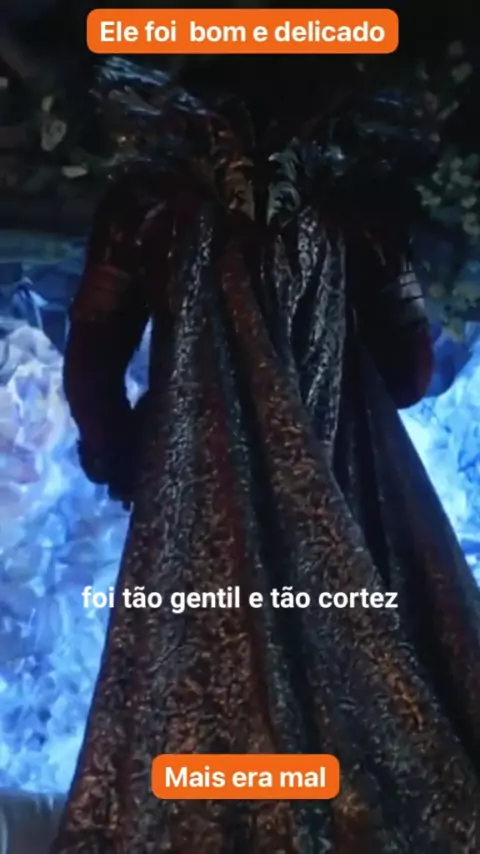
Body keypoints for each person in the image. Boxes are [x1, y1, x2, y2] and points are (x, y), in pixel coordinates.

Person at [53, 55, 480, 853]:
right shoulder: (359, 210)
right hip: (347, 479)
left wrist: (125, 452)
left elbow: (92, 363)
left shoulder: (148, 207)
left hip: (197, 487)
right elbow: (410, 374)